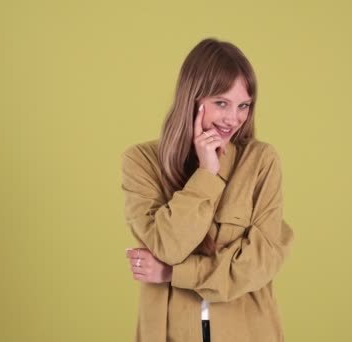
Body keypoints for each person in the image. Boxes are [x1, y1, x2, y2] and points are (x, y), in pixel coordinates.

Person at [121, 38, 294, 342]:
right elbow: (168, 246)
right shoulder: (141, 162)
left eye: (243, 105)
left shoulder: (261, 161)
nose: (233, 118)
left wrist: (174, 273)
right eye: (221, 103)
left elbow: (260, 262)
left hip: (248, 331)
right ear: (193, 99)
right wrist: (206, 173)